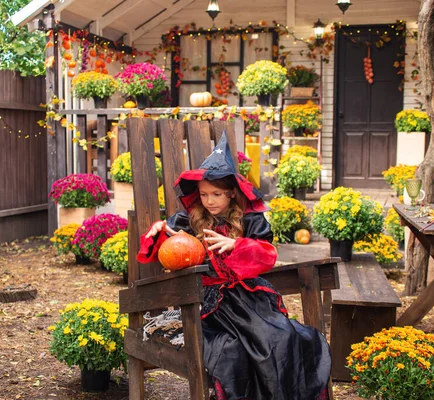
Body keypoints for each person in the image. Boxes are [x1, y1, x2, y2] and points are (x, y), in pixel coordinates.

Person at [137, 134, 331, 400]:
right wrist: (159, 232)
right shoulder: (189, 220)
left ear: (231, 192)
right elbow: (168, 251)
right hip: (210, 302)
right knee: (238, 347)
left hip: (249, 298)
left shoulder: (250, 221)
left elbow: (267, 256)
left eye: (216, 194)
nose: (209, 201)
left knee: (283, 336)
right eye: (204, 194)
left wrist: (235, 245)